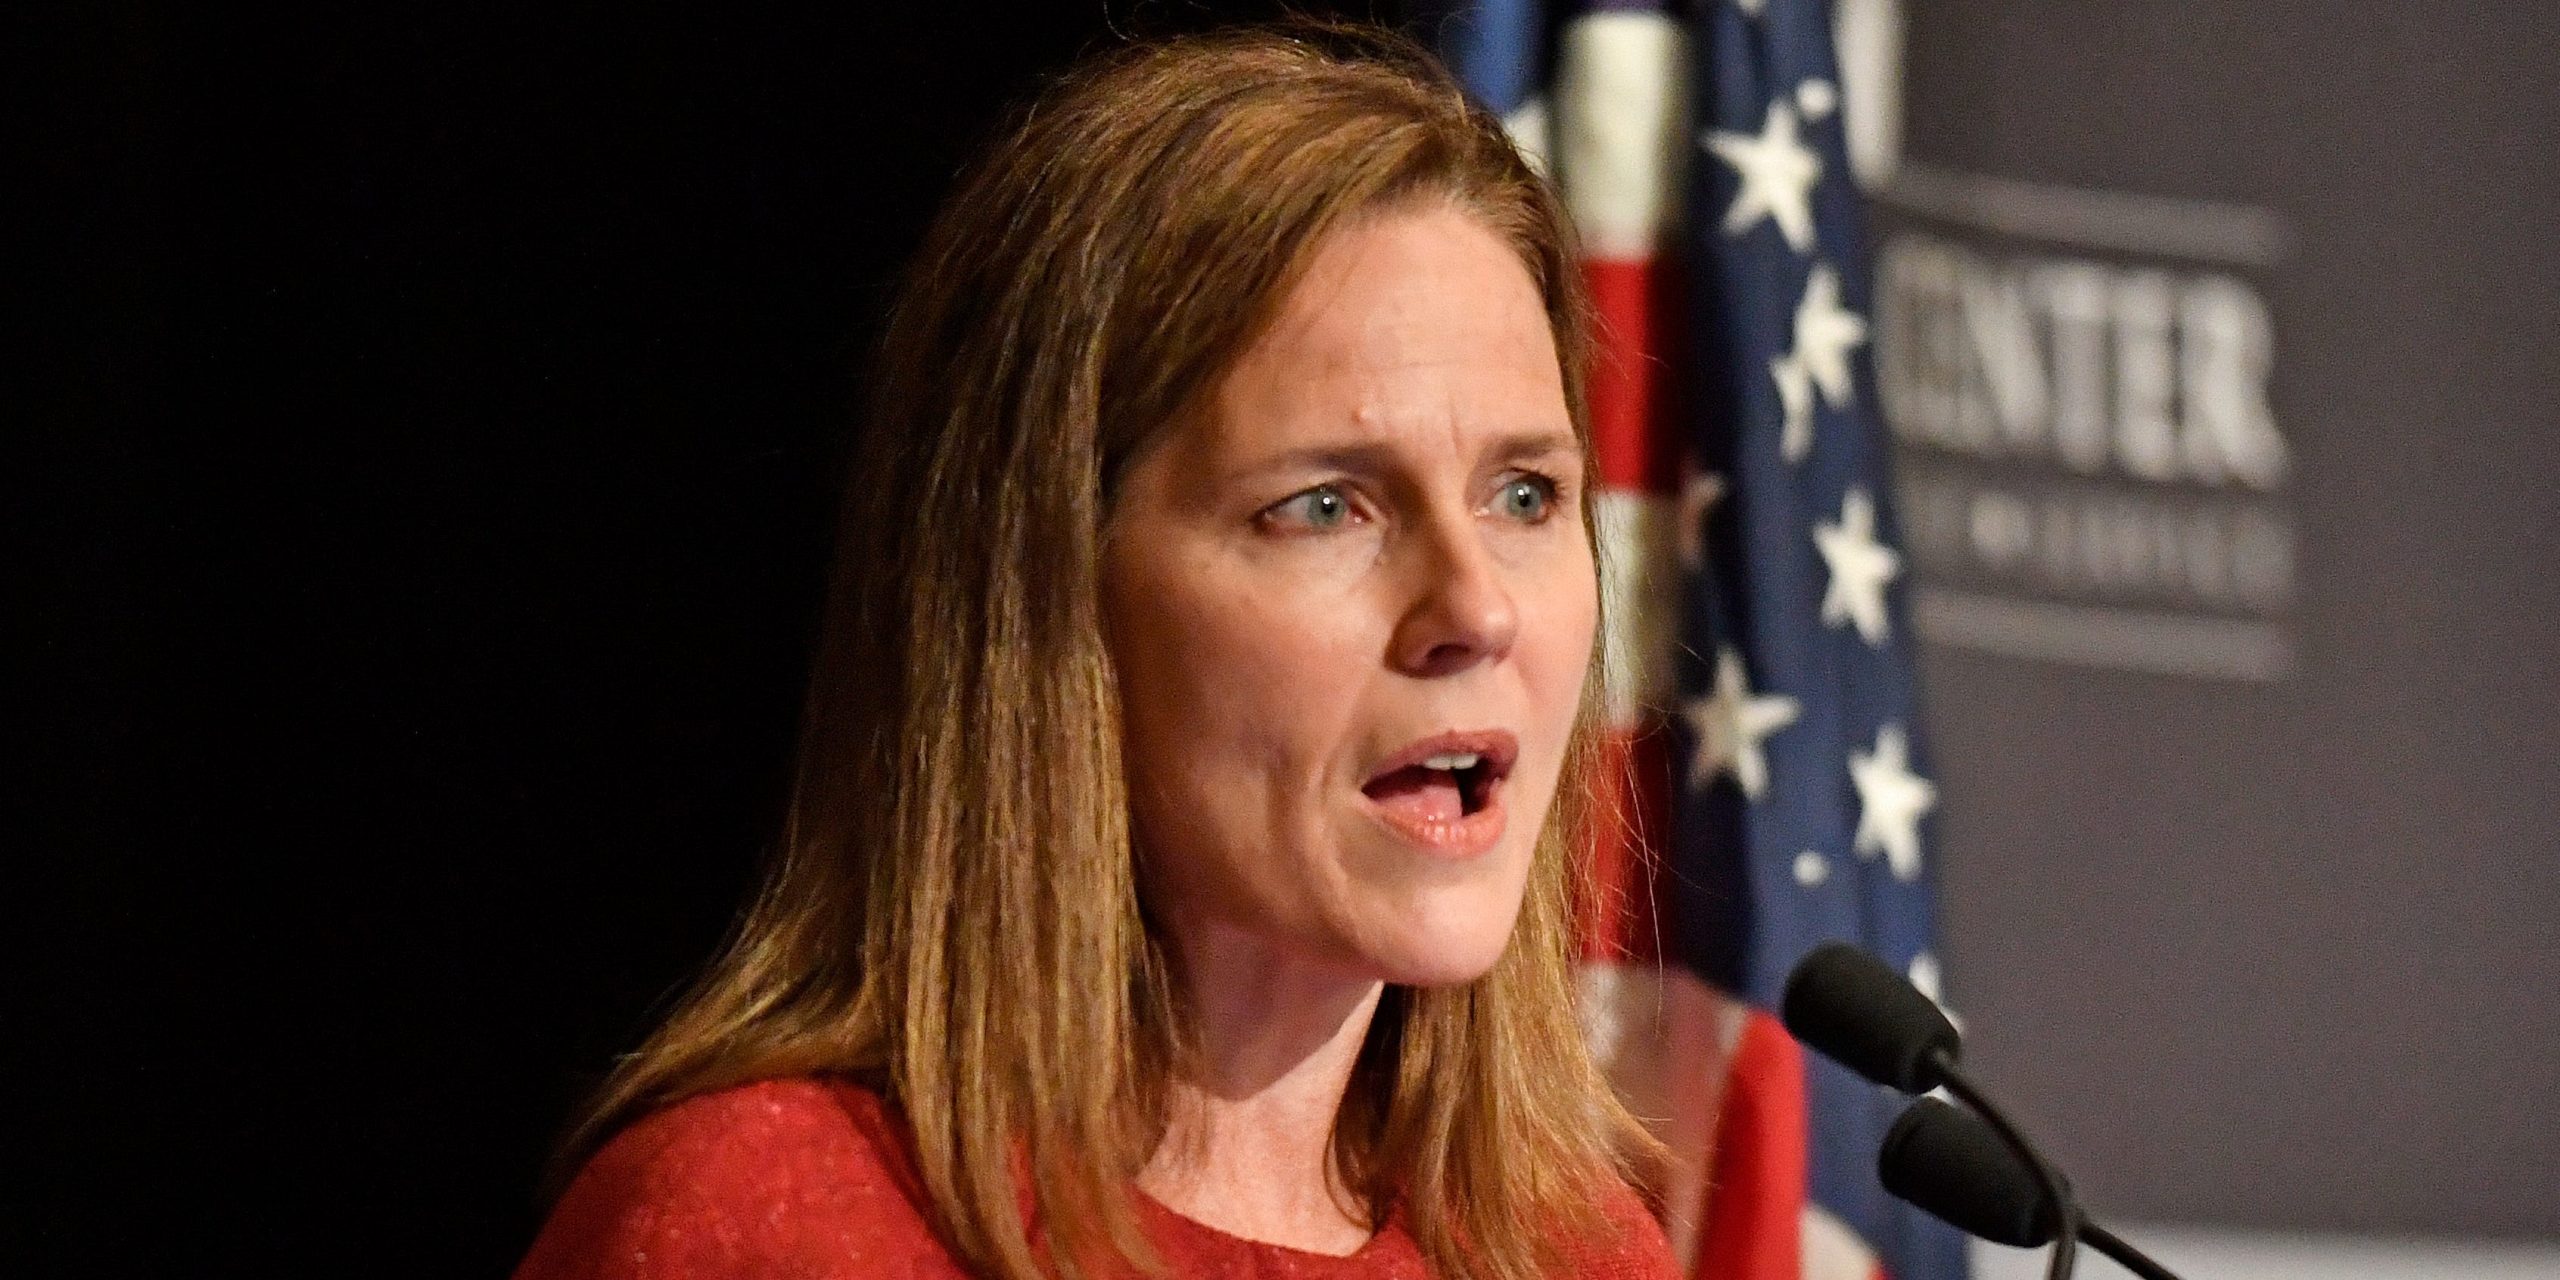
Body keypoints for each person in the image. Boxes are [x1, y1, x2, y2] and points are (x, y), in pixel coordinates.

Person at [514, 23, 1680, 1280]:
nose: (1478, 606)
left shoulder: (1572, 1250)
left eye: (1521, 494)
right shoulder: (764, 1227)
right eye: (1327, 505)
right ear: (1053, 586)